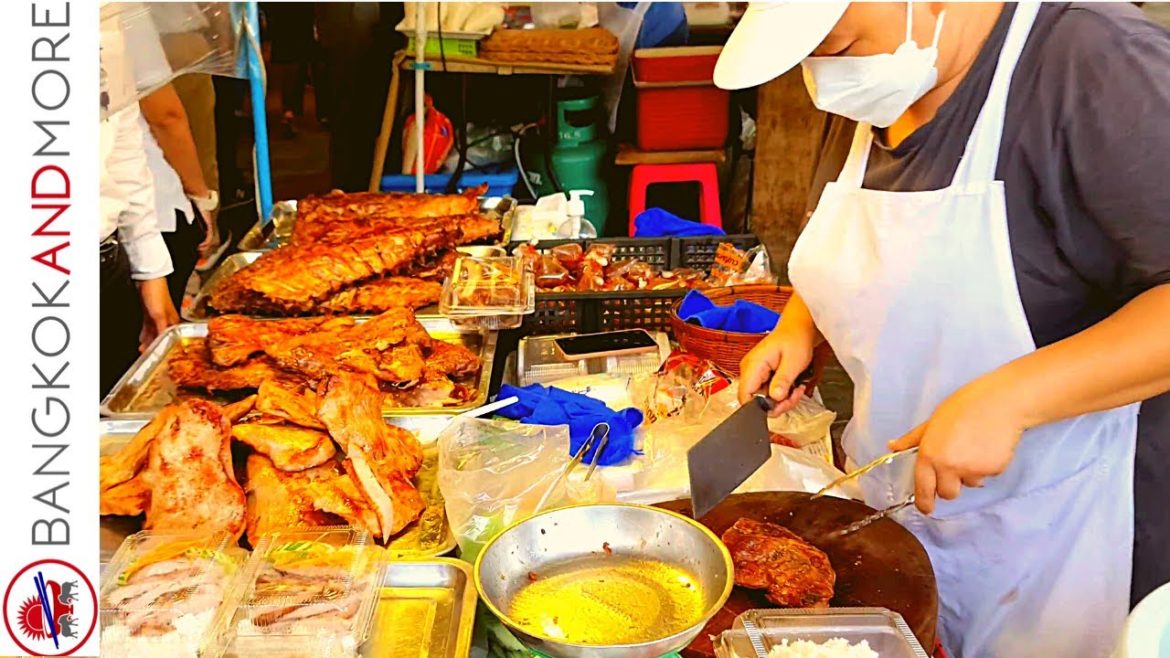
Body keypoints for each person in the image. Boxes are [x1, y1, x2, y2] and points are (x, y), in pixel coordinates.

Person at [720, 3, 1170, 657]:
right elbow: (879, 251)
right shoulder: (886, 73)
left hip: (1063, 538)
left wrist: (1014, 398)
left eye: (838, 45)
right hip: (898, 514)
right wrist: (802, 321)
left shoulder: (1097, 64)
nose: (824, 74)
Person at [139, 83, 217, 310]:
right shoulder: (130, 48)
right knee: (153, 334)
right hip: (152, 208)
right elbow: (167, 118)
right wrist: (201, 197)